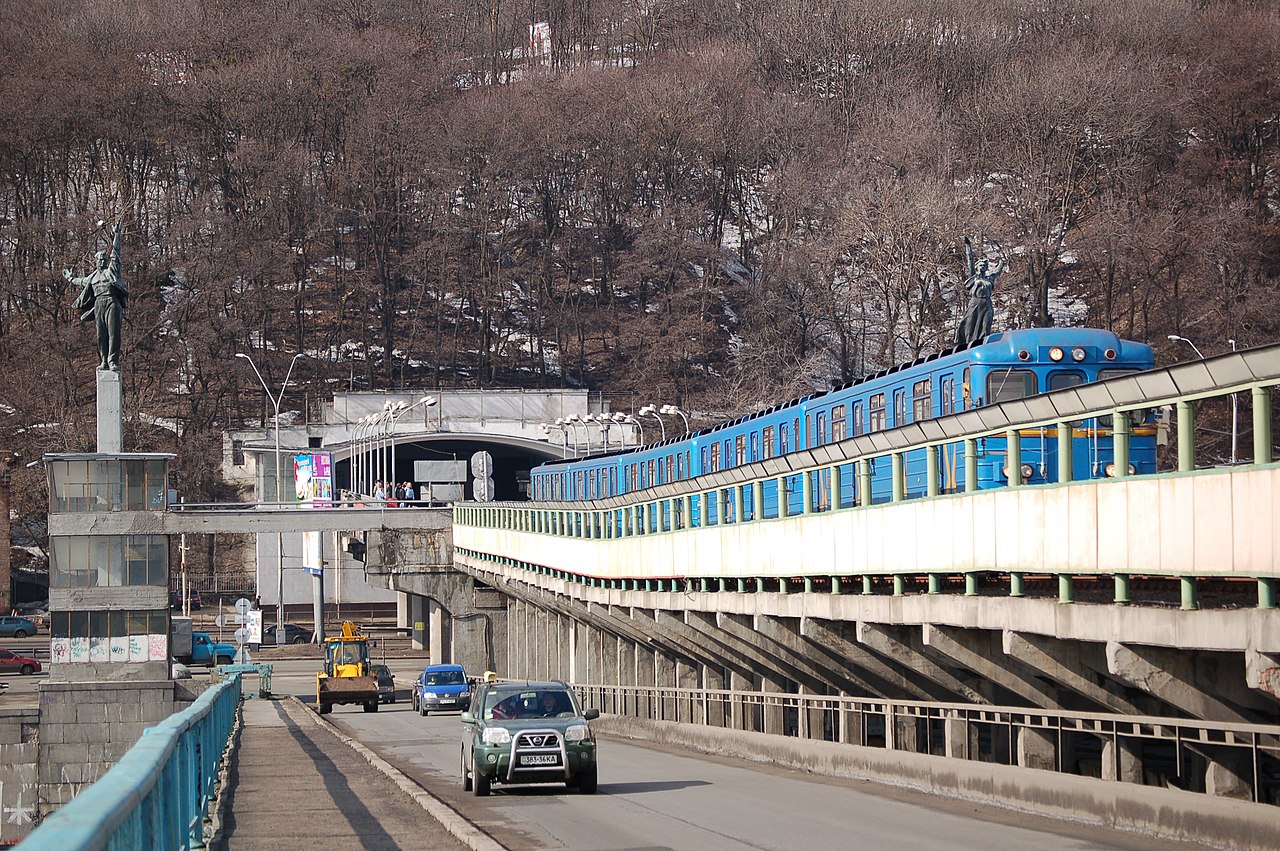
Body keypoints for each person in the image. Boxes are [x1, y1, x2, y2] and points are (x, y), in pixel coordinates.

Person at [67, 221, 128, 371]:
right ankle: (104, 360)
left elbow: (116, 254)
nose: (101, 261)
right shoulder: (93, 277)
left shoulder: (111, 272)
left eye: (103, 259)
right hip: (99, 305)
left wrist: (117, 235)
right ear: (95, 261)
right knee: (101, 335)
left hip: (112, 302)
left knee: (113, 333)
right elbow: (80, 281)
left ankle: (112, 360)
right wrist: (69, 278)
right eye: (99, 259)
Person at [954, 235, 1004, 348]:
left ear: (986, 268)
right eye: (980, 265)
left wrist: (1002, 261)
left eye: (984, 265)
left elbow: (998, 271)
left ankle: (983, 346)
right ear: (977, 267)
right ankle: (967, 346)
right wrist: (968, 246)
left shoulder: (989, 278)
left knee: (986, 326)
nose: (982, 267)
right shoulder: (974, 277)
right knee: (969, 326)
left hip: (987, 304)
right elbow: (970, 259)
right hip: (975, 303)